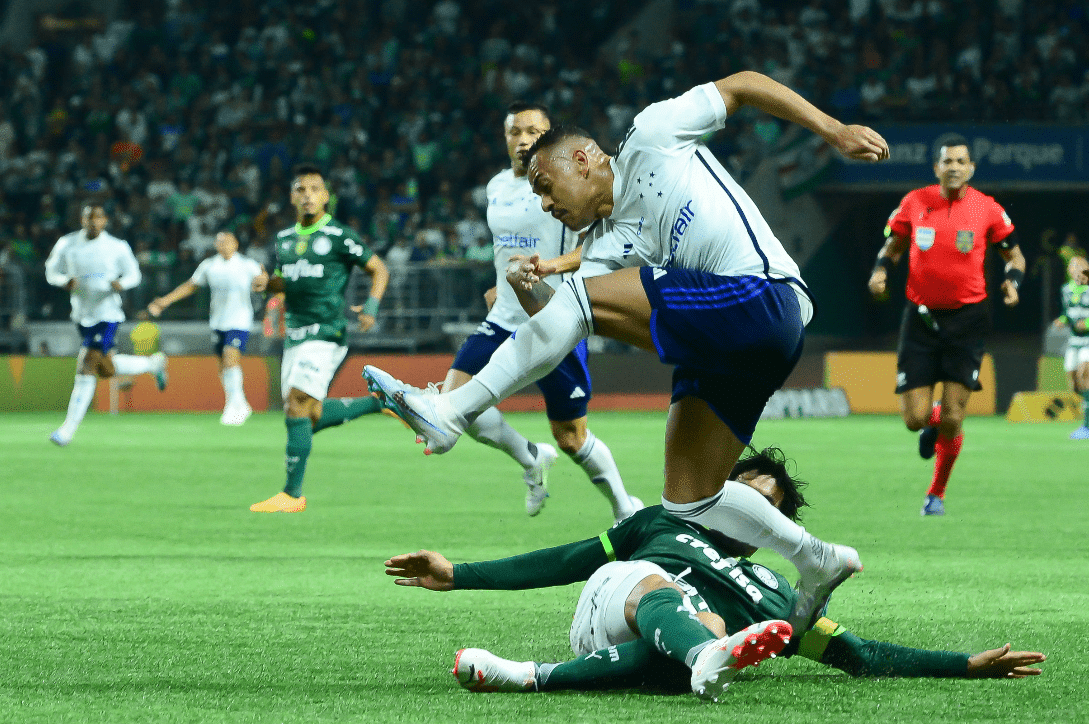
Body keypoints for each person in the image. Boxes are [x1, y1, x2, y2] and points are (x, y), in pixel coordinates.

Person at [365, 70, 889, 634]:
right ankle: (816, 557)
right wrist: (529, 289)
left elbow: (741, 86)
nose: (545, 203)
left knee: (583, 303)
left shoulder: (653, 134)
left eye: (547, 186)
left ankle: (449, 413)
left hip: (764, 297)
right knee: (689, 501)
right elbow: (562, 321)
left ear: (583, 159)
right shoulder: (605, 242)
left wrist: (833, 130)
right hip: (737, 344)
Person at [385, 448, 1046, 701]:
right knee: (672, 595)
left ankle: (529, 676)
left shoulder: (780, 595)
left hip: (660, 655)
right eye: (742, 493)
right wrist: (458, 573)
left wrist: (965, 666)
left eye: (766, 508)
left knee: (709, 627)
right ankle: (705, 651)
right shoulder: (660, 523)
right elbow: (567, 560)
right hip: (614, 605)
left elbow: (859, 654)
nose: (748, 508)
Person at [445, 100, 641, 522]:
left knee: (571, 438)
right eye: (515, 132)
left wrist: (552, 266)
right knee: (453, 402)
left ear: (549, 137)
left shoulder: (565, 183)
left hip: (554, 316)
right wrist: (499, 285)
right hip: (502, 318)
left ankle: (624, 508)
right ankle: (530, 456)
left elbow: (597, 244)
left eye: (533, 132)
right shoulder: (496, 187)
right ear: (504, 138)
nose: (523, 140)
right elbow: (504, 247)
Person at [867, 133, 1025, 515]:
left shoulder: (988, 209)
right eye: (947, 161)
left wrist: (1013, 282)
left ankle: (935, 493)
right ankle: (930, 422)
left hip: (968, 320)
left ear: (971, 168)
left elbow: (1015, 257)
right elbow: (892, 246)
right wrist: (880, 271)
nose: (954, 167)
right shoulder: (913, 202)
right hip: (920, 318)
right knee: (914, 419)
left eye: (960, 162)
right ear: (936, 167)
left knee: (955, 417)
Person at [249, 164, 391, 513]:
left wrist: (371, 306)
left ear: (326, 196)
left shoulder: (339, 235)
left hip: (327, 331)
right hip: (295, 334)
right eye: (301, 189)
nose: (308, 196)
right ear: (292, 197)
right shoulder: (284, 239)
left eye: (315, 189)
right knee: (305, 413)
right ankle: (380, 402)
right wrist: (268, 284)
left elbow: (379, 269)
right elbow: (285, 281)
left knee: (297, 403)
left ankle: (291, 495)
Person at [45, 203, 169, 446]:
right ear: (82, 220)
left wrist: (122, 284)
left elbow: (134, 274)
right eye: (89, 217)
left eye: (98, 217)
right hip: (82, 315)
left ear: (105, 221)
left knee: (86, 366)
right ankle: (153, 363)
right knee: (105, 369)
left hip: (108, 314)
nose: (93, 222)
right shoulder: (67, 243)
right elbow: (51, 271)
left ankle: (67, 430)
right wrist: (63, 281)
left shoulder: (116, 246)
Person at [147, 230, 268, 425]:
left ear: (236, 244)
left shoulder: (247, 265)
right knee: (222, 365)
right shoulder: (210, 265)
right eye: (220, 242)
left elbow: (264, 280)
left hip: (240, 320)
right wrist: (166, 301)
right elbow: (191, 285)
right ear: (216, 245)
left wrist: (264, 282)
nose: (224, 245)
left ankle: (234, 406)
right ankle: (240, 403)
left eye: (227, 241)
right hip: (218, 321)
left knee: (230, 356)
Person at [1055, 254, 1089, 439]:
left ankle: (1087, 426)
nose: (1078, 271)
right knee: (1074, 383)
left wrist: (1087, 323)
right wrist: (1062, 320)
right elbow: (1067, 313)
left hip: (1088, 340)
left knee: (1085, 374)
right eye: (1074, 267)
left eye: (1081, 267)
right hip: (1074, 341)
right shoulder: (1066, 290)